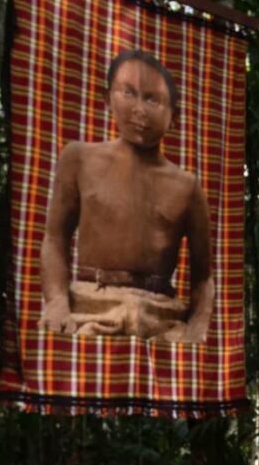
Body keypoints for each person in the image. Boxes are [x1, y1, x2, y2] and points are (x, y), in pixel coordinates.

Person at [39, 49, 213, 342]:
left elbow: (203, 275)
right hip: (87, 306)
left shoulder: (187, 187)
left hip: (161, 317)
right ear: (108, 99)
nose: (139, 110)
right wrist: (57, 301)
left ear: (174, 116)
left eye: (152, 99)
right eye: (128, 93)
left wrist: (198, 325)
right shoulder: (79, 158)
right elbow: (55, 239)